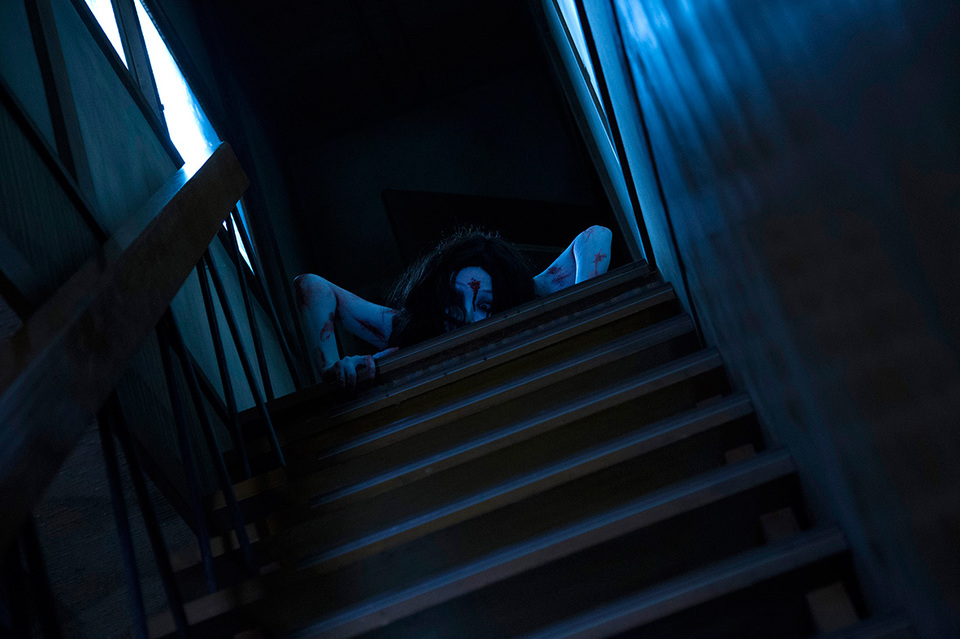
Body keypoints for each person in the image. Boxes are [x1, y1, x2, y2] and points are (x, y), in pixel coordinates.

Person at [294, 225, 613, 388]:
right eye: (455, 301)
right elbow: (312, 287)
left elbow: (595, 237)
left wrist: (578, 309)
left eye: (485, 304)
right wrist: (332, 368)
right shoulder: (407, 326)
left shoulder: (526, 298)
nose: (470, 318)